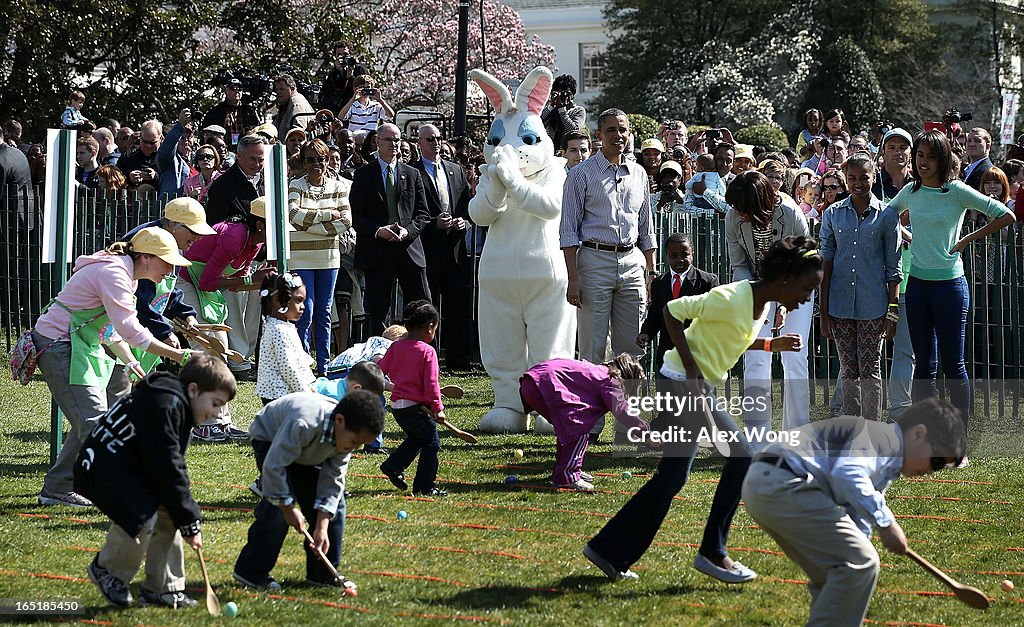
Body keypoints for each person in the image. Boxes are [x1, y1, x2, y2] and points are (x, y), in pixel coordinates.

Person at [585, 236, 821, 583]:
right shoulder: (731, 297)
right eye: (805, 288)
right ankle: (713, 552)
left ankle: (607, 550)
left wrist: (771, 344)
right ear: (786, 277)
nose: (805, 299)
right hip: (682, 382)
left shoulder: (762, 303)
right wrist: (692, 368)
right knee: (743, 456)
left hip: (692, 383)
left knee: (672, 478)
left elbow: (732, 336)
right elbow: (671, 311)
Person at [742, 398, 966, 627]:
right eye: (936, 461)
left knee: (836, 571)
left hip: (767, 482)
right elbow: (847, 474)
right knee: (863, 562)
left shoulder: (887, 460)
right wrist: (886, 523)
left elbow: (856, 514)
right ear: (918, 433)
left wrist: (865, 535)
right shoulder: (882, 440)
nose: (931, 471)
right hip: (784, 481)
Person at [34, 228, 194, 508]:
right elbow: (131, 330)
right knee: (97, 423)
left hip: (77, 346)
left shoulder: (126, 275)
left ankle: (57, 488)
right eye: (167, 263)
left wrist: (131, 361)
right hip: (60, 345)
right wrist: (177, 354)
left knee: (91, 421)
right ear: (145, 257)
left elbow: (111, 331)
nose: (170, 271)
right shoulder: (115, 274)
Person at [75, 354, 236, 609]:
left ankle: (163, 588)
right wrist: (190, 518)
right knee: (142, 513)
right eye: (215, 404)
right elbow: (168, 467)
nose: (216, 413)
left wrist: (185, 517)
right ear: (193, 390)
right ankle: (108, 570)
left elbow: (170, 468)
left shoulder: (178, 404)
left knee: (169, 509)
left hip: (130, 465)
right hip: (102, 468)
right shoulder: (166, 405)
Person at [890, 131, 1015, 454]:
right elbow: (887, 217)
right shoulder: (911, 191)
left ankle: (958, 442)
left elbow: (1006, 215)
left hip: (950, 287)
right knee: (924, 367)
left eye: (930, 157)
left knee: (953, 364)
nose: (923, 162)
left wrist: (964, 241)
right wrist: (907, 234)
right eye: (919, 156)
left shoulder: (957, 191)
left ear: (943, 159)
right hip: (916, 286)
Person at [233, 390, 385, 591]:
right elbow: (274, 466)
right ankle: (251, 572)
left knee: (335, 507)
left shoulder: (344, 440)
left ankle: (322, 574)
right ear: (339, 421)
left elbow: (332, 481)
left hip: (307, 451)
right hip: (271, 439)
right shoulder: (304, 423)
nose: (355, 448)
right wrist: (288, 508)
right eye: (355, 442)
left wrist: (322, 526)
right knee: (276, 510)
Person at [819, 153, 902, 421]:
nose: (857, 183)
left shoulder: (887, 216)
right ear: (845, 179)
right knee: (848, 368)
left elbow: (894, 268)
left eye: (863, 177)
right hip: (840, 304)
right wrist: (824, 310)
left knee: (870, 368)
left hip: (873, 305)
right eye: (851, 178)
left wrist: (892, 311)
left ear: (873, 177)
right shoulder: (833, 213)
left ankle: (872, 429)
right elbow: (826, 262)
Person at [179, 196, 278, 417]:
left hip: (203, 287)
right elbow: (209, 282)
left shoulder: (256, 241)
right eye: (275, 224)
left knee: (219, 348)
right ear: (260, 224)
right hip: (185, 281)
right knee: (207, 347)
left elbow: (235, 283)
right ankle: (205, 420)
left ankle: (219, 419)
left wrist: (260, 282)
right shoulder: (234, 237)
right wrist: (250, 280)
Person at [520, 354, 649, 491]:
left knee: (569, 429)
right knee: (577, 430)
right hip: (544, 384)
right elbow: (622, 411)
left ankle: (566, 468)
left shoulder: (599, 371)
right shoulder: (610, 379)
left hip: (532, 381)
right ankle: (568, 476)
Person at [349, 122, 431, 335]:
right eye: (389, 140)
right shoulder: (364, 175)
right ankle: (380, 359)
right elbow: (356, 216)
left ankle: (422, 354)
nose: (394, 144)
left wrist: (408, 231)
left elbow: (423, 214)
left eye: (397, 140)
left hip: (409, 249)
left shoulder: (412, 174)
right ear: (377, 142)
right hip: (377, 250)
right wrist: (378, 230)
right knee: (377, 310)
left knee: (421, 307)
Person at [411, 123, 473, 369]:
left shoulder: (455, 170)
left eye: (437, 138)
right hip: (428, 248)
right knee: (429, 306)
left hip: (456, 249)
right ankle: (430, 359)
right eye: (429, 139)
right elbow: (412, 212)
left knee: (458, 303)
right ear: (419, 143)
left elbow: (467, 207)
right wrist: (431, 224)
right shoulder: (412, 171)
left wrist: (463, 221)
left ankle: (459, 360)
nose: (435, 143)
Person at [288, 138, 352, 374]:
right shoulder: (296, 185)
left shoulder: (339, 187)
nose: (317, 164)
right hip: (300, 258)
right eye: (311, 159)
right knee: (306, 311)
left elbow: (346, 221)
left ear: (328, 161)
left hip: (328, 258)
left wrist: (309, 223)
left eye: (321, 159)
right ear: (304, 163)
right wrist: (327, 214)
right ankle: (303, 363)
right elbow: (293, 214)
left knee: (324, 312)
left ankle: (324, 365)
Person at [378, 300, 447, 497]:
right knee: (431, 443)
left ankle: (393, 465)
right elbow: (431, 384)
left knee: (418, 437)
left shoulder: (396, 347)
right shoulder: (428, 351)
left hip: (398, 408)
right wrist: (437, 408)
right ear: (430, 327)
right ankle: (425, 486)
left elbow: (380, 369)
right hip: (415, 408)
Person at [637, 233, 719, 372]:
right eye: (674, 256)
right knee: (667, 393)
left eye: (684, 255)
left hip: (697, 355)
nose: (679, 260)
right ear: (667, 256)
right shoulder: (659, 284)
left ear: (692, 254)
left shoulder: (707, 282)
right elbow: (655, 315)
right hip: (667, 355)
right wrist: (646, 333)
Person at [254, 272, 314, 404]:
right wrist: (306, 393)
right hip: (279, 395)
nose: (303, 307)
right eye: (298, 301)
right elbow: (288, 367)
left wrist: (308, 385)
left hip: (286, 393)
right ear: (277, 301)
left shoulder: (281, 325)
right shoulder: (278, 330)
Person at [200, 78, 261, 148]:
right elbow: (206, 133)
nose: (237, 91)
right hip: (223, 150)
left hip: (246, 149)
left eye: (239, 89)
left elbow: (257, 130)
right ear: (226, 91)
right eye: (233, 88)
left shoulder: (249, 111)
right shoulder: (216, 111)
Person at [541, 74, 587, 154]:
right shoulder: (549, 110)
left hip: (568, 152)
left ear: (572, 96)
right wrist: (551, 105)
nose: (562, 96)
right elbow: (538, 122)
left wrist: (562, 110)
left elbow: (574, 131)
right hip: (548, 151)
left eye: (566, 93)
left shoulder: (578, 110)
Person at [271, 74, 315, 142]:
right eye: (277, 89)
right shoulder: (286, 103)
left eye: (282, 89)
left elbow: (298, 133)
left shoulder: (296, 104)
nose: (278, 92)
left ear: (292, 89)